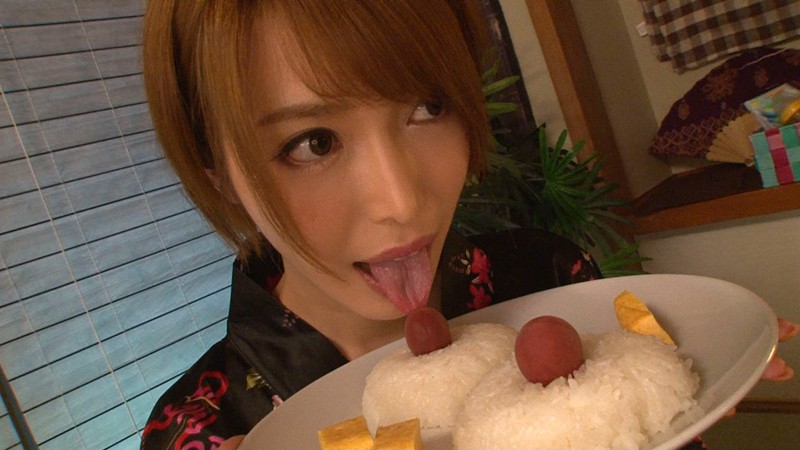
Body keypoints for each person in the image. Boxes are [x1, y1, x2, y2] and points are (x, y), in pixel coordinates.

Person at [139, 1, 798, 448]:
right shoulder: (201, 429)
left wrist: (668, 408)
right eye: (314, 143)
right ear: (218, 173)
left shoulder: (547, 274)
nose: (401, 201)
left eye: (429, 107)